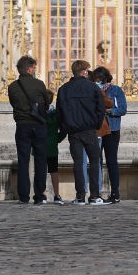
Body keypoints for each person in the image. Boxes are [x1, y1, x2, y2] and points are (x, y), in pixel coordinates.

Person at [56, 59, 108, 205]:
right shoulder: (92, 87)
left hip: (73, 131)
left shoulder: (64, 89)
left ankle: (80, 196)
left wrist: (65, 127)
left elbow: (59, 112)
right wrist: (96, 124)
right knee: (95, 162)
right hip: (89, 130)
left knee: (78, 163)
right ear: (84, 71)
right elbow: (101, 108)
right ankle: (94, 195)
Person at [6, 56, 52, 205]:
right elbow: (46, 103)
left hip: (22, 125)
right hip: (38, 125)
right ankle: (39, 195)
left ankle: (23, 196)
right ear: (29, 68)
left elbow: (14, 104)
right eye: (34, 68)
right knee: (40, 161)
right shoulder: (39, 84)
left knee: (23, 161)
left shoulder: (12, 87)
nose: (34, 70)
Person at [95, 66, 127, 204]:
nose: (98, 82)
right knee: (96, 161)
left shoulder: (116, 90)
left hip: (112, 129)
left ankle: (115, 192)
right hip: (97, 128)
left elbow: (123, 109)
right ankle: (96, 192)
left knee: (111, 161)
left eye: (100, 80)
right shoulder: (93, 90)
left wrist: (109, 111)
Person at [46, 103, 64, 204]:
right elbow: (64, 128)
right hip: (52, 146)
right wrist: (57, 138)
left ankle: (41, 194)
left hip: (40, 146)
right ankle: (56, 195)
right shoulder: (56, 114)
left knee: (41, 172)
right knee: (54, 171)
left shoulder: (39, 112)